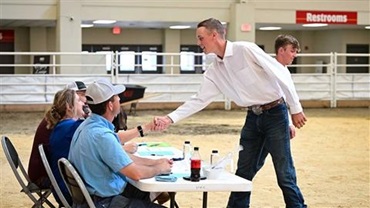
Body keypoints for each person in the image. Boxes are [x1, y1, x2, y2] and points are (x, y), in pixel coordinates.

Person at [155, 18, 307, 208]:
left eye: (201, 38)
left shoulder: (245, 49)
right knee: (243, 173)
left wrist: (295, 109)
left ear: (214, 35)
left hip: (276, 114)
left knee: (284, 174)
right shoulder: (214, 71)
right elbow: (199, 99)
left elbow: (280, 73)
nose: (198, 43)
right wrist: (170, 118)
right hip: (253, 117)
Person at [68, 79, 172, 208]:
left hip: (92, 198)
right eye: (117, 97)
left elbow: (122, 158)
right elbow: (136, 174)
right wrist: (159, 169)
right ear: (110, 105)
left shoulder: (87, 126)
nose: (120, 100)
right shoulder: (102, 136)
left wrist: (155, 162)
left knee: (150, 191)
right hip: (105, 201)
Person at [27, 81, 89, 189]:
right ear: (68, 103)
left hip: (45, 170)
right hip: (46, 175)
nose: (85, 100)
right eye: (81, 96)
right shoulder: (65, 125)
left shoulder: (55, 119)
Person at [46, 88, 86, 205]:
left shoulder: (62, 126)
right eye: (78, 100)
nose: (83, 103)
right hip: (72, 190)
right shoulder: (73, 127)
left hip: (63, 187)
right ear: (69, 107)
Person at [275, 34, 302, 139]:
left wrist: (289, 122)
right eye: (292, 51)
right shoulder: (274, 70)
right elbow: (280, 99)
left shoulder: (285, 70)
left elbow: (283, 100)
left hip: (276, 116)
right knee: (283, 155)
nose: (295, 55)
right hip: (274, 118)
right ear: (281, 50)